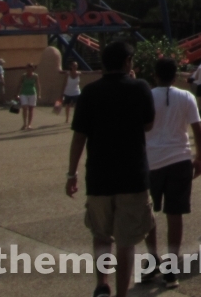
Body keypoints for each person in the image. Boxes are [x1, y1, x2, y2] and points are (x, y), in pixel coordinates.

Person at [66, 40, 155, 297]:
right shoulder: (140, 88)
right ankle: (121, 293)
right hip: (133, 176)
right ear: (127, 62)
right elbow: (148, 125)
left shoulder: (90, 92)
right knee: (126, 242)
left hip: (99, 176)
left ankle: (101, 284)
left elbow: (79, 137)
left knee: (102, 235)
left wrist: (72, 173)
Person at [143, 58, 201, 289]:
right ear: (175, 75)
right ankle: (170, 267)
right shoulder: (186, 96)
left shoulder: (148, 96)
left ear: (155, 75)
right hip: (180, 159)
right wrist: (198, 157)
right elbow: (197, 129)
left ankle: (151, 260)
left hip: (152, 160)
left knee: (148, 213)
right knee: (175, 214)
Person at [16, 62, 40, 130]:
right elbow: (19, 85)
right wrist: (17, 93)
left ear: (32, 69)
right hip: (24, 93)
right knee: (24, 107)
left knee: (31, 109)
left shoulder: (35, 76)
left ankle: (29, 124)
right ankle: (24, 124)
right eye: (27, 68)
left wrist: (39, 94)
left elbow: (38, 85)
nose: (28, 70)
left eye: (30, 68)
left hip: (32, 93)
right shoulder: (23, 76)